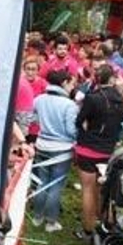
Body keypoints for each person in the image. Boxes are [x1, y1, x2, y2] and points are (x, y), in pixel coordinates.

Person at [72, 63, 123, 237]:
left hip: (88, 147)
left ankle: (88, 228)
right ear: (112, 79)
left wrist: (86, 126)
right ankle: (106, 221)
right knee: (104, 188)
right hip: (108, 149)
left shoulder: (92, 98)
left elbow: (79, 120)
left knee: (88, 189)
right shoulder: (120, 98)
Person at [30, 68, 80, 232]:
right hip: (62, 148)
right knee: (56, 185)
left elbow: (34, 119)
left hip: (42, 144)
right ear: (64, 83)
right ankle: (51, 222)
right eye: (72, 83)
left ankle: (37, 217)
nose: (73, 87)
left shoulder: (39, 99)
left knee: (41, 182)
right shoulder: (69, 105)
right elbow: (71, 130)